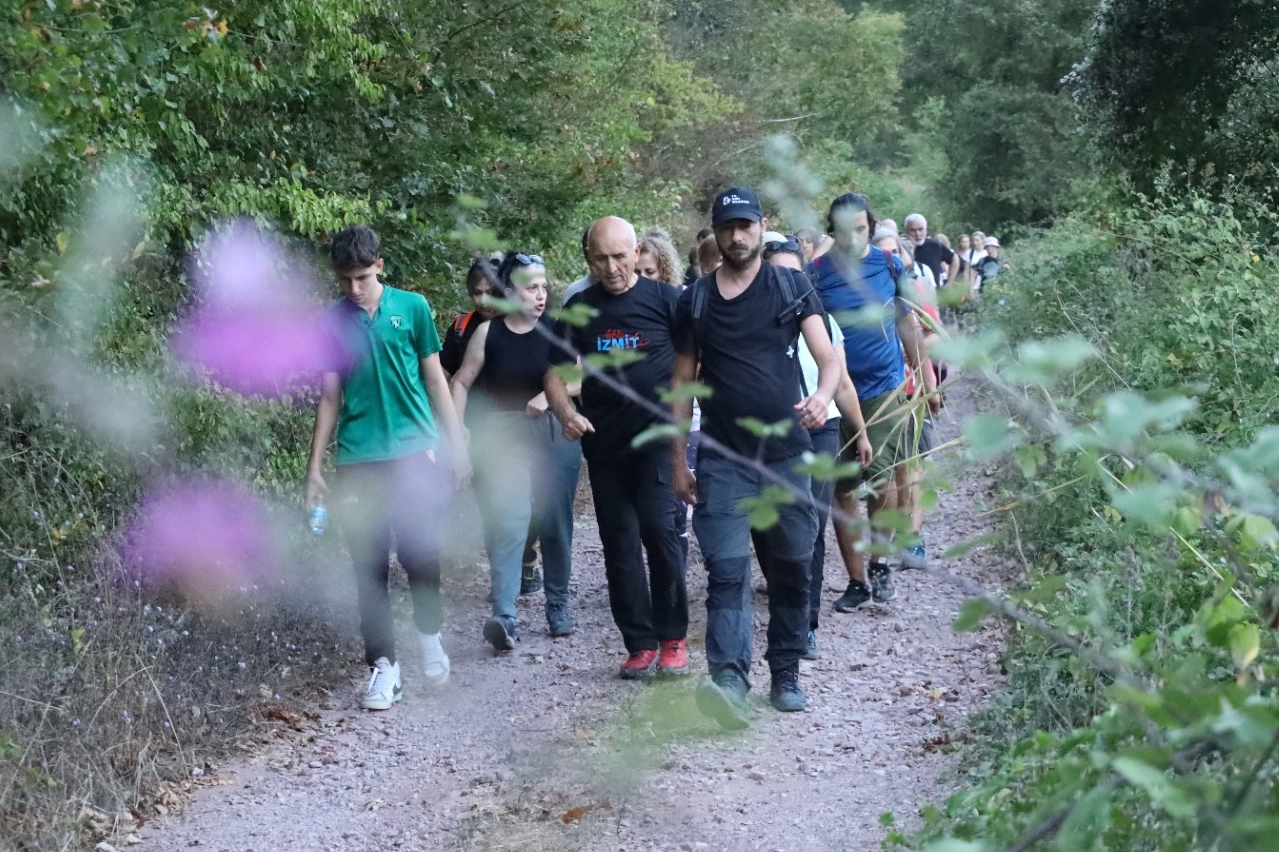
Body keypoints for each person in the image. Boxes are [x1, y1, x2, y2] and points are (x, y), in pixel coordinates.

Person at [670, 186, 840, 728]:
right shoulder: (695, 300)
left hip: (788, 456)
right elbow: (681, 386)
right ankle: (729, 681)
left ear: (762, 227)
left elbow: (827, 357)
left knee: (790, 568)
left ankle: (785, 672)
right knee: (726, 571)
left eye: (746, 225)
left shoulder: (791, 285)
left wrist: (821, 396)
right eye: (727, 227)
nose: (737, 236)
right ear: (716, 233)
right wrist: (678, 460)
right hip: (723, 461)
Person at [305, 224, 469, 711]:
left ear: (379, 266)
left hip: (416, 452)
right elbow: (330, 394)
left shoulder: (412, 308)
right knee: (367, 566)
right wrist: (315, 467)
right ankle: (384, 668)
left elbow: (436, 380)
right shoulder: (331, 322)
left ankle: (430, 635)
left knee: (420, 554)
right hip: (358, 457)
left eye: (361, 277)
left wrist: (456, 443)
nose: (354, 289)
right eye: (344, 280)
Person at [546, 216, 691, 680]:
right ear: (589, 259)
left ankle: (673, 638)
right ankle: (638, 642)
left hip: (657, 441)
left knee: (660, 534)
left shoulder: (669, 301)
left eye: (620, 257)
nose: (612, 267)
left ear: (636, 252)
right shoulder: (580, 308)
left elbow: (693, 367)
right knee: (620, 545)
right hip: (604, 445)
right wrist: (566, 413)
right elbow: (552, 371)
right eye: (601, 258)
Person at [807, 193, 936, 612]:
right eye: (845, 229)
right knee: (842, 489)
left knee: (882, 481)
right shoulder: (816, 274)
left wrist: (927, 378)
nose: (854, 237)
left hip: (884, 390)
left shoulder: (888, 265)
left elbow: (908, 323)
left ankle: (879, 561)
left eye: (861, 228)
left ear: (869, 226)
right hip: (837, 393)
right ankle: (857, 580)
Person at [450, 253, 582, 651]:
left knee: (554, 521)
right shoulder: (487, 333)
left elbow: (577, 380)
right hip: (505, 434)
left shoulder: (557, 331)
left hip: (552, 430)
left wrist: (548, 397)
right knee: (508, 523)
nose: (540, 295)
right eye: (531, 287)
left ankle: (557, 607)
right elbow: (459, 382)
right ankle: (504, 615)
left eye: (543, 287)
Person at [759, 236, 873, 659]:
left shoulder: (823, 320)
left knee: (811, 523)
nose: (788, 281)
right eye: (779, 272)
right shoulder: (751, 320)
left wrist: (860, 432)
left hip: (821, 428)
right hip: (769, 433)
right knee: (770, 528)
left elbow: (841, 381)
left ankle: (804, 624)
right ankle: (784, 602)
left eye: (795, 272)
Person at [441, 257, 544, 596]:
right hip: (479, 429)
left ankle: (527, 560)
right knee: (490, 504)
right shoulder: (460, 329)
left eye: (490, 292)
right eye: (475, 293)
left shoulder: (520, 323)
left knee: (526, 503)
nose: (483, 300)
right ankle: (505, 578)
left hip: (521, 425)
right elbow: (445, 375)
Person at [872, 231, 943, 571]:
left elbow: (933, 333)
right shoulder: (865, 295)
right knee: (883, 475)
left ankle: (913, 539)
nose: (889, 261)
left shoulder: (912, 293)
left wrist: (909, 352)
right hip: (876, 396)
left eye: (894, 254)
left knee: (909, 468)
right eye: (882, 253)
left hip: (910, 392)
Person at [903, 214, 959, 291]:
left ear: (926, 230)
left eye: (920, 229)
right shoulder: (899, 247)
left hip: (934, 295)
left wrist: (949, 283)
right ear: (906, 231)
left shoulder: (935, 245)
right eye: (913, 230)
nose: (917, 234)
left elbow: (954, 259)